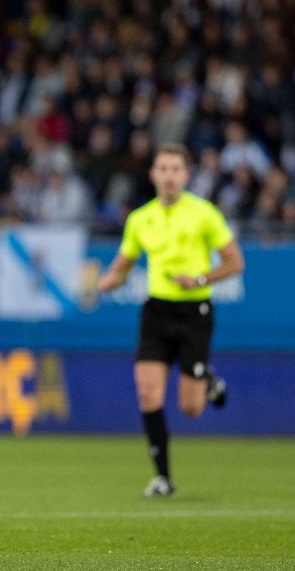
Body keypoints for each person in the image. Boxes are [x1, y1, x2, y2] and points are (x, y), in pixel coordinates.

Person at [96, 144, 244, 497]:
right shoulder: (139, 219)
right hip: (156, 312)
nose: (169, 175)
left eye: (176, 169)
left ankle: (205, 377)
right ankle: (163, 477)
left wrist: (201, 279)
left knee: (191, 408)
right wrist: (106, 281)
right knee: (148, 394)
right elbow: (122, 265)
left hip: (195, 312)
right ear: (153, 175)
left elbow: (234, 263)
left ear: (186, 175)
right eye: (163, 168)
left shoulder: (204, 214)